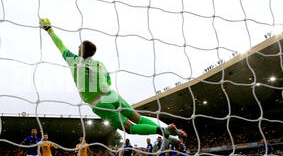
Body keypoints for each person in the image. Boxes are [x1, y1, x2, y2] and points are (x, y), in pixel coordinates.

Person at [39, 18, 187, 140]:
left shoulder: (74, 61)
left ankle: (162, 131)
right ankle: (170, 133)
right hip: (112, 95)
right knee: (138, 118)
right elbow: (108, 81)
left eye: (79, 47)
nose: (77, 48)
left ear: (81, 51)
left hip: (99, 103)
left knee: (129, 128)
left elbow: (60, 45)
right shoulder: (100, 65)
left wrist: (49, 30)